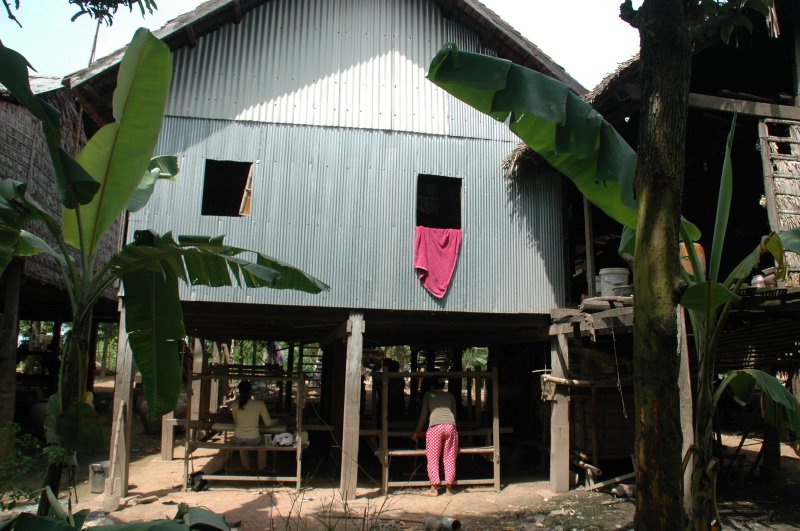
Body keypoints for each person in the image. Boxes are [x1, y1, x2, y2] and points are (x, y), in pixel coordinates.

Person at [413, 378, 458, 496]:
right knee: (449, 458)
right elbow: (455, 414)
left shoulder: (428, 395)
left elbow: (423, 416)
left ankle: (434, 488)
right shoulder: (450, 395)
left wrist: (417, 431)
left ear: (431, 386)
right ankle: (449, 488)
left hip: (435, 427)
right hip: (450, 426)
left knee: (433, 458)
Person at [230, 380, 279, 471]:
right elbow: (268, 423)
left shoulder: (235, 405)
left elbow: (236, 423)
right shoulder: (259, 403)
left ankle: (246, 465)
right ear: (251, 391)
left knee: (241, 440)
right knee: (263, 441)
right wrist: (277, 420)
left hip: (238, 438)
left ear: (239, 392)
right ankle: (262, 467)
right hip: (254, 439)